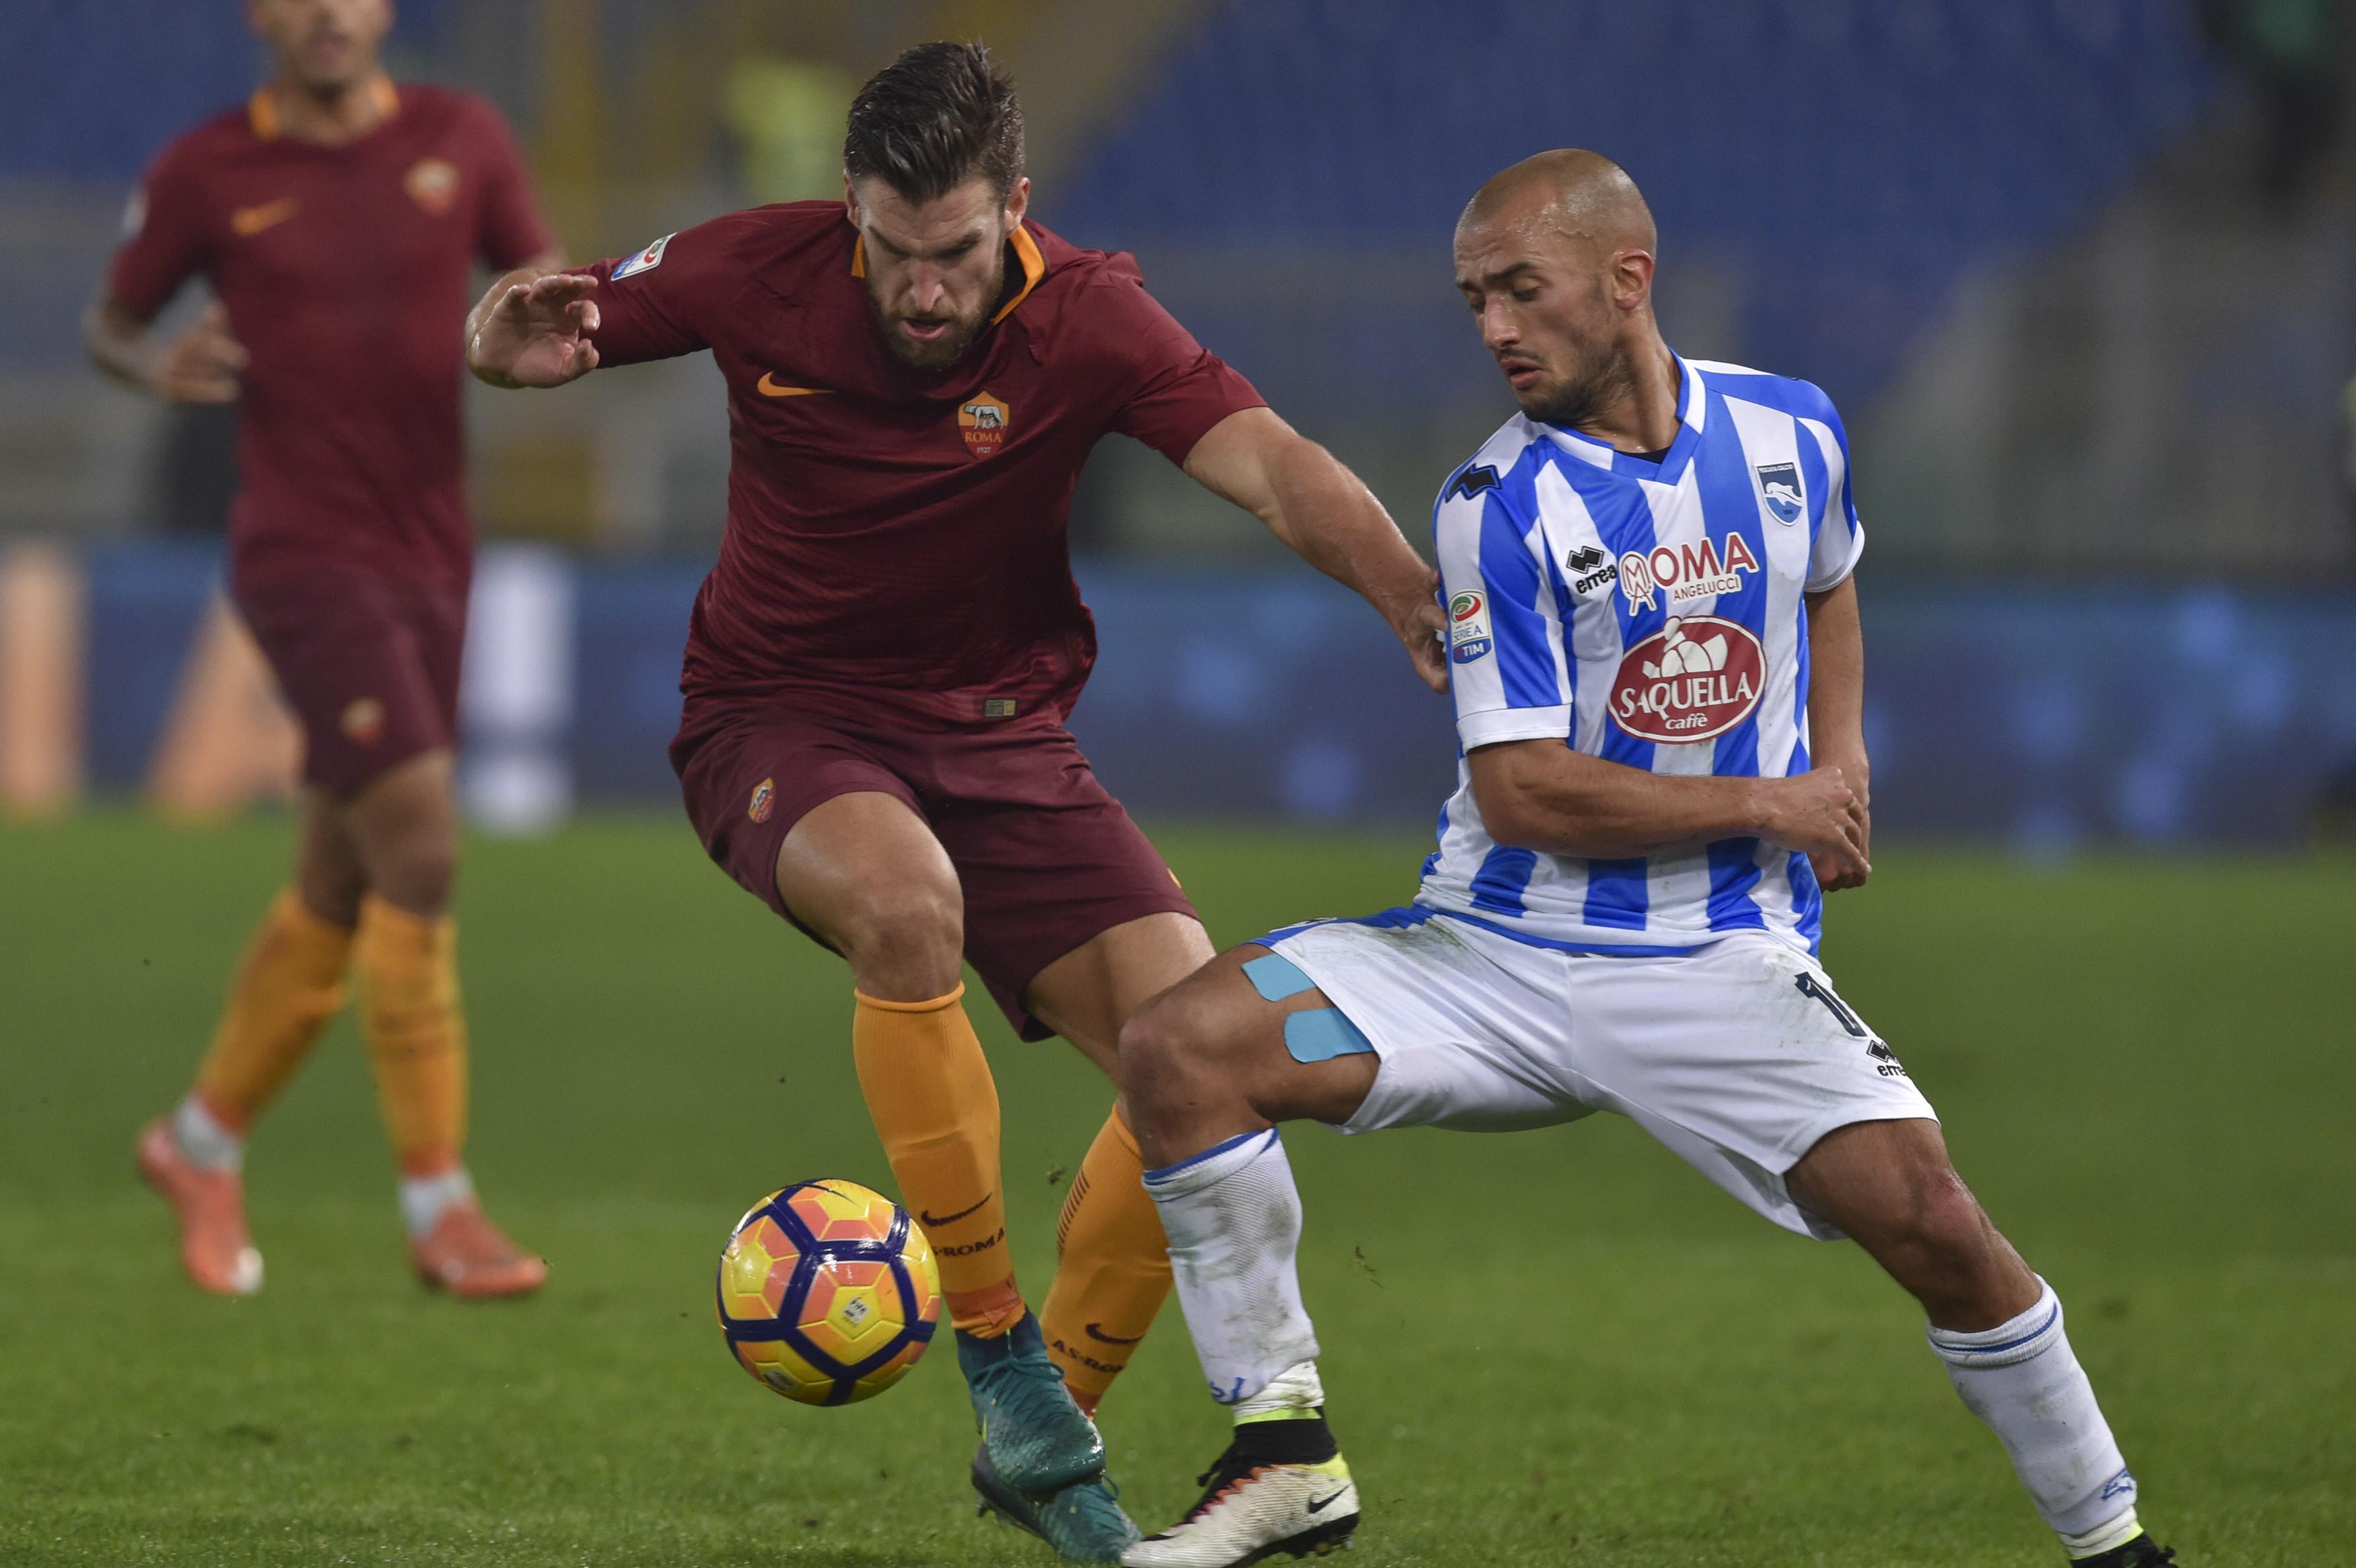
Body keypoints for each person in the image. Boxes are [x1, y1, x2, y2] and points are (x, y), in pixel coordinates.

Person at [1111, 151, 2177, 1568]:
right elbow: (1526, 791)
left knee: (1935, 1224)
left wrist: (1838, 768)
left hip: (1716, 964)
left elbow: (1831, 575)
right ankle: (1285, 1454)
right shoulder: (1498, 504)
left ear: (1627, 282)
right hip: (1486, 957)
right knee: (1181, 1046)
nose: (1494, 326)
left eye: (1520, 290)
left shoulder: (1789, 434)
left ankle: (2116, 1546)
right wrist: (1773, 805)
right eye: (1474, 299)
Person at [461, 41, 1445, 1563]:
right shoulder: (753, 271)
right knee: (905, 906)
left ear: (1019, 213)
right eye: (892, 251)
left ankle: (1048, 1419)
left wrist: (1408, 595)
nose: (922, 291)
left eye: (957, 255)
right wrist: (500, 348)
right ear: (849, 211)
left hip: (1003, 743)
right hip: (778, 720)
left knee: (1199, 1046)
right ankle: (995, 1353)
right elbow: (564, 323)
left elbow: (1271, 468)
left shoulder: (1092, 318)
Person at [88, 0, 561, 1300]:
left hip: (433, 558)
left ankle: (196, 1142)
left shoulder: (461, 137)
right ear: (262, 14)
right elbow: (110, 325)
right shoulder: (206, 170)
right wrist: (150, 363)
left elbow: (551, 286)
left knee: (342, 882)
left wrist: (548, 328)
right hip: (303, 555)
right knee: (420, 843)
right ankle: (439, 1200)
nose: (326, 13)